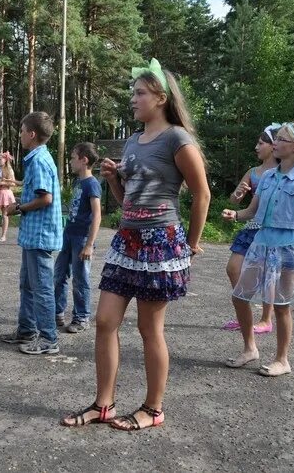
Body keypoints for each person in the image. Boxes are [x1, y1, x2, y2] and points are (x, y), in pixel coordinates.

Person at [61, 58, 210, 430]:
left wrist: (190, 244)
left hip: (160, 242)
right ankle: (104, 404)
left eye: (140, 93)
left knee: (149, 329)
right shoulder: (133, 140)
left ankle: (153, 409)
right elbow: (126, 196)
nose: (134, 99)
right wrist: (113, 179)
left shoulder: (177, 138)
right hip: (127, 239)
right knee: (105, 321)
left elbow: (202, 194)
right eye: (134, 93)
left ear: (160, 97)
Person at [222, 122, 294, 377]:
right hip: (262, 244)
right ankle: (249, 349)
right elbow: (251, 212)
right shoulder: (267, 177)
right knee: (239, 296)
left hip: (291, 249)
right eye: (275, 139)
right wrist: (235, 214)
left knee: (281, 304)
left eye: (281, 139)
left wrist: (289, 223)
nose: (275, 143)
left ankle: (282, 360)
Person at [0, 112, 63, 355]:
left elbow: (45, 198)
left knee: (42, 287)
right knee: (27, 284)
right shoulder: (36, 158)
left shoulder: (38, 160)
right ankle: (26, 330)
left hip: (41, 235)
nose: (21, 134)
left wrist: (18, 208)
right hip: (34, 235)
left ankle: (49, 339)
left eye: (23, 130)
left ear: (32, 134)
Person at [221, 124, 281, 335]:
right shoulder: (253, 172)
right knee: (233, 268)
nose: (256, 147)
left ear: (274, 146)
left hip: (270, 230)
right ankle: (243, 315)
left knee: (268, 274)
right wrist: (237, 195)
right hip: (251, 226)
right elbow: (235, 199)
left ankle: (266, 320)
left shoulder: (282, 173)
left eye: (260, 143)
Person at [54, 142, 102, 334]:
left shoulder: (92, 184)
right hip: (69, 235)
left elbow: (97, 215)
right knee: (59, 275)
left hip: (82, 239)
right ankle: (57, 312)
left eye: (74, 158)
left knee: (80, 279)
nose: (71, 161)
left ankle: (81, 318)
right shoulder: (78, 183)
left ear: (84, 160)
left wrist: (89, 245)